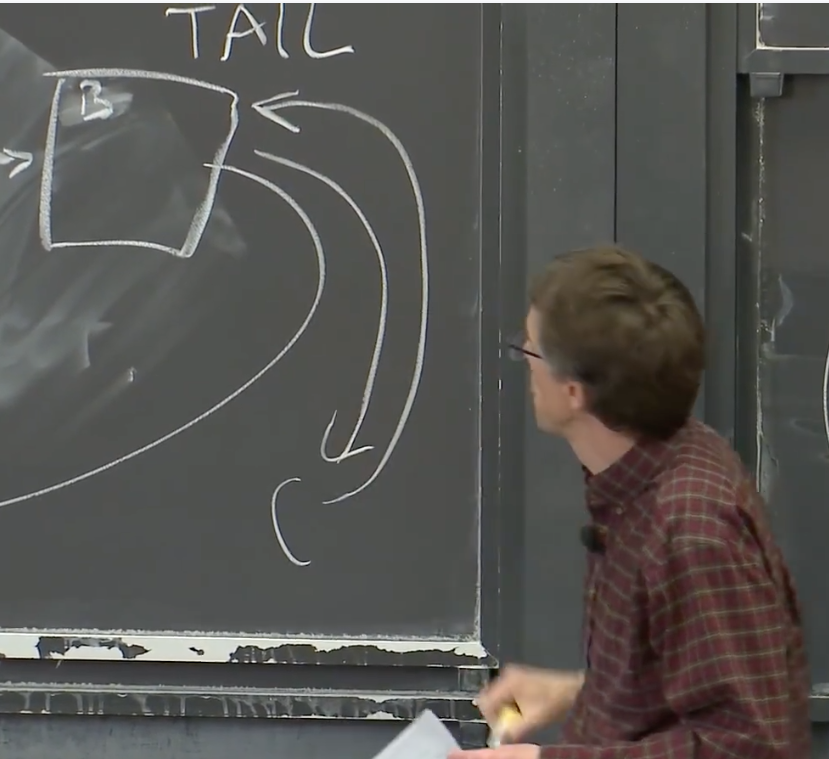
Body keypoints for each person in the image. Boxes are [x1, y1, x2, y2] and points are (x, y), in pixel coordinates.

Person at [449, 246, 811, 759]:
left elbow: (749, 745)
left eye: (531, 349)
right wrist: (580, 692)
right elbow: (691, 674)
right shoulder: (652, 469)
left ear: (573, 392)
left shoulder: (692, 528)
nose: (524, 359)